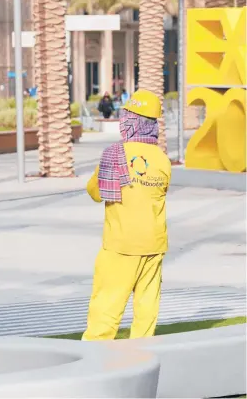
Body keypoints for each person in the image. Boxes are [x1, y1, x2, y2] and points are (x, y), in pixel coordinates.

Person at [82, 89, 171, 341]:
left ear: (131, 120)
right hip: (154, 245)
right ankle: (141, 358)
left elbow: (95, 192)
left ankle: (94, 357)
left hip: (121, 246)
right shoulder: (163, 160)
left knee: (106, 308)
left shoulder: (115, 154)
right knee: (146, 309)